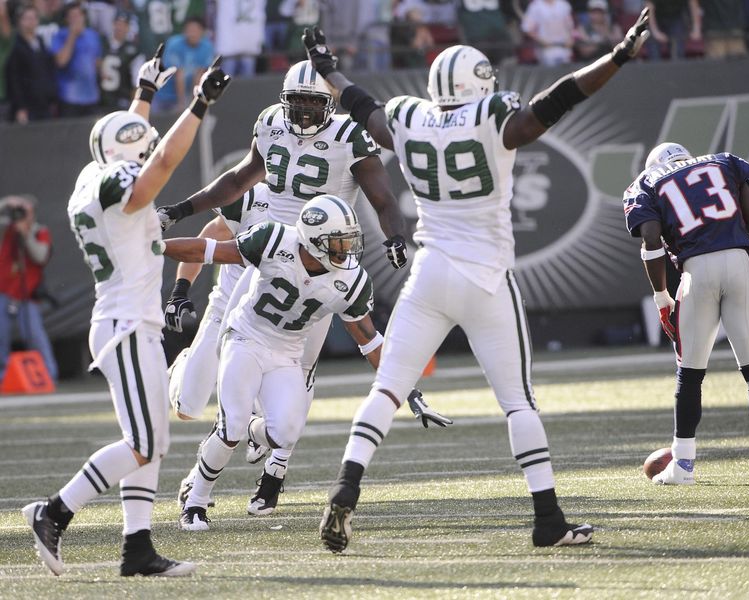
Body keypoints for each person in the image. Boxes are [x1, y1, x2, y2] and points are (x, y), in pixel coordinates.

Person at [301, 9, 650, 552]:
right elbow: (555, 102)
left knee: (386, 388)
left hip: (429, 271)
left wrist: (327, 68)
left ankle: (345, 487)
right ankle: (548, 519)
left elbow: (361, 104)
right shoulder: (492, 116)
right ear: (479, 85)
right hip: (485, 277)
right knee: (517, 402)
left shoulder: (410, 117)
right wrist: (619, 57)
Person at [158, 58, 450, 518]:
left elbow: (383, 199)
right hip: (270, 254)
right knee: (213, 377)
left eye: (315, 103)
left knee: (297, 377)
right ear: (284, 102)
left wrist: (394, 234)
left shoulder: (349, 138)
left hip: (320, 264)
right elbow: (226, 206)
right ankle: (214, 459)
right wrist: (175, 217)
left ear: (329, 104)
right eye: (298, 104)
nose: (306, 114)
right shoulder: (270, 133)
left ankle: (272, 466)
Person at [20, 47, 230, 577]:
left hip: (130, 323)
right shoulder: (118, 184)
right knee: (146, 442)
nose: (148, 148)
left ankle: (137, 548)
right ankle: (55, 511)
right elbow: (157, 163)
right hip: (125, 327)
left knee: (150, 440)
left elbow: (129, 144)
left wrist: (145, 93)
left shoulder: (93, 177)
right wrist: (199, 104)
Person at [162, 195, 437, 530]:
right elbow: (209, 251)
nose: (346, 249)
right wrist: (155, 247)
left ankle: (245, 429)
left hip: (286, 354)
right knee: (230, 426)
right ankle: (196, 502)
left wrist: (408, 390)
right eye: (338, 241)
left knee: (285, 433)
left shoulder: (350, 280)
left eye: (349, 240)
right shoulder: (274, 239)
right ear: (312, 239)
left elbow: (369, 340)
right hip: (245, 338)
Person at [623, 142, 749, 485]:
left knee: (689, 375)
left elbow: (650, 239)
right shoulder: (725, 163)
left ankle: (684, 465)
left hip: (696, 272)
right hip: (739, 264)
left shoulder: (647, 182)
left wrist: (661, 294)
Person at [0, 194, 58, 384]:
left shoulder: (39, 231)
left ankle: (48, 375)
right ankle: (3, 377)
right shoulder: (6, 228)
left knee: (34, 335)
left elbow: (40, 257)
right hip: (4, 292)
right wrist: (7, 203)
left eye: (25, 211)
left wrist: (26, 235)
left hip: (27, 295)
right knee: (1, 336)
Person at [4, 4, 59, 123]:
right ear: (19, 21)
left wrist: (52, 97)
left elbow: (48, 71)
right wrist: (20, 107)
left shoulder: (41, 42)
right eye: (27, 18)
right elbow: (14, 79)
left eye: (34, 18)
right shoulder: (15, 46)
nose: (32, 22)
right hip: (28, 106)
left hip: (44, 103)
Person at [50, 1, 102, 117]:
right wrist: (72, 36)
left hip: (92, 96)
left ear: (84, 17)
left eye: (78, 15)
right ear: (66, 20)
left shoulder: (93, 35)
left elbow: (97, 62)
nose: (76, 19)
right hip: (69, 97)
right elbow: (61, 61)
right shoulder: (59, 36)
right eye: (72, 16)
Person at [154, 16, 213, 113]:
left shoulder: (207, 47)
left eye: (196, 30)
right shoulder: (174, 44)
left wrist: (195, 103)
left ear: (202, 32)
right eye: (190, 30)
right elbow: (179, 75)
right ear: (184, 31)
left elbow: (199, 76)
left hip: (187, 93)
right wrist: (182, 104)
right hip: (164, 93)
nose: (192, 34)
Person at [99, 10, 143, 111]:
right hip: (101, 100)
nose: (120, 28)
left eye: (123, 25)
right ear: (113, 25)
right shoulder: (102, 44)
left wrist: (134, 106)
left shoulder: (134, 51)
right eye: (117, 24)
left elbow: (137, 82)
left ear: (128, 27)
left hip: (122, 99)